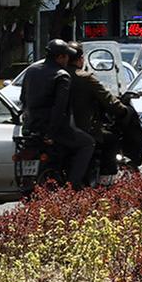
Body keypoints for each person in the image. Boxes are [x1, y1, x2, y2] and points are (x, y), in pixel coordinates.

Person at [20, 39, 94, 188]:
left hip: (31, 127)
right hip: (53, 129)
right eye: (66, 56)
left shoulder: (31, 70)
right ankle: (74, 185)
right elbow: (60, 108)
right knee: (88, 142)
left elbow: (23, 99)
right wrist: (51, 134)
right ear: (60, 57)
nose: (68, 60)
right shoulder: (62, 75)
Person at [63, 44, 129, 186]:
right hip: (82, 128)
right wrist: (123, 110)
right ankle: (104, 181)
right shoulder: (85, 78)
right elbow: (108, 99)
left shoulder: (56, 74)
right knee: (111, 140)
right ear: (81, 59)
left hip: (56, 127)